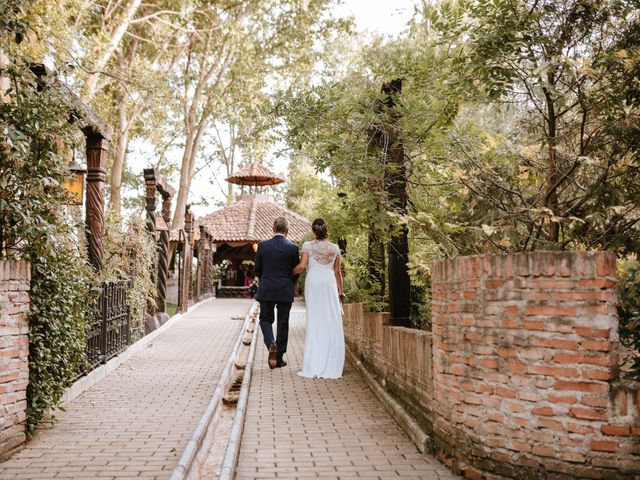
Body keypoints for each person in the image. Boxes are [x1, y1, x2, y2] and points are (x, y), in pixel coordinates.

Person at [293, 218, 345, 379]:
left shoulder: (308, 246)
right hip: (329, 283)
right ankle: (331, 362)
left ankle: (314, 362)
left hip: (314, 282)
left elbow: (302, 267)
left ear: (313, 231)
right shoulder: (335, 248)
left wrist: (289, 273)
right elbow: (337, 272)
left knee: (315, 320)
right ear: (326, 230)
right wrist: (341, 292)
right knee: (330, 319)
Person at [254, 217, 300, 369]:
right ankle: (279, 358)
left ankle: (271, 343)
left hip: (266, 288)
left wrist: (264, 278)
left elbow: (257, 270)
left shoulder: (262, 246)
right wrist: (289, 283)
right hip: (285, 289)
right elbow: (296, 271)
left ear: (272, 229)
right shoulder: (293, 248)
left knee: (265, 319)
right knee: (283, 323)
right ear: (287, 231)